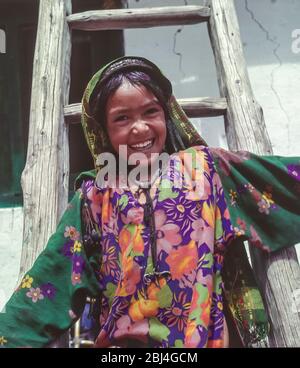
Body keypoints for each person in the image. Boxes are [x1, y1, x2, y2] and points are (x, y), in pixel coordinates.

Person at [0, 56, 300, 348]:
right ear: (103, 130)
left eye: (151, 112)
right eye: (122, 118)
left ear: (166, 115)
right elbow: (52, 279)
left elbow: (284, 183)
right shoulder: (94, 197)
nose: (140, 128)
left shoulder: (208, 170)